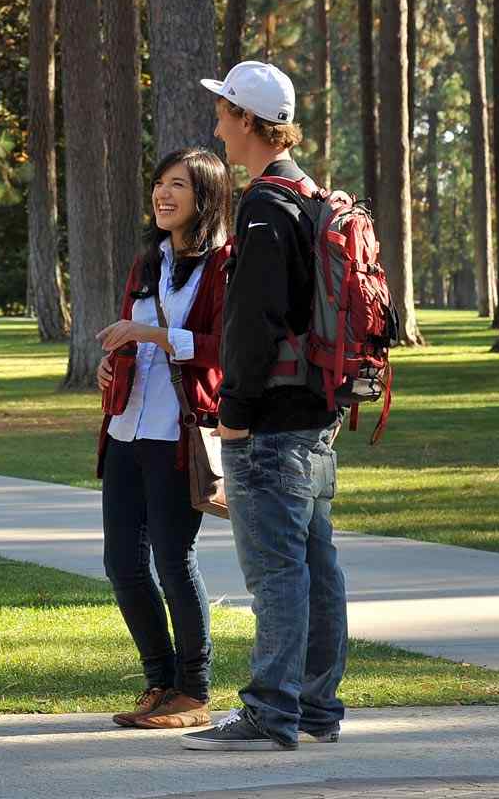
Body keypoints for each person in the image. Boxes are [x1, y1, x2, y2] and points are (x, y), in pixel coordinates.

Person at [180, 61, 348, 753]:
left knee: (277, 572)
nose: (217, 123)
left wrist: (234, 412)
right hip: (316, 414)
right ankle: (315, 706)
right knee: (316, 564)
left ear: (249, 121)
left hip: (271, 420)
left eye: (224, 111)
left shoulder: (261, 206)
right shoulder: (308, 195)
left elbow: (253, 323)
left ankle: (271, 711)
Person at [92, 147, 234, 732]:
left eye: (177, 185)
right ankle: (159, 681)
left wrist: (151, 333)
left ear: (204, 196)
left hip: (179, 434)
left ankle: (194, 691)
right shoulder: (148, 262)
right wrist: (112, 366)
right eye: (158, 184)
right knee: (122, 563)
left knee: (174, 559)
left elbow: (221, 347)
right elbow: (131, 340)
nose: (162, 194)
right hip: (128, 426)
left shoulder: (225, 265)